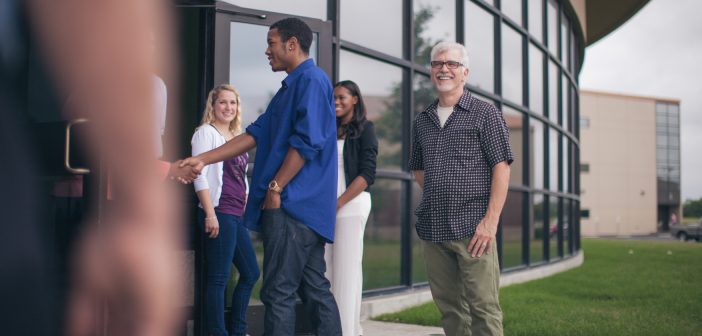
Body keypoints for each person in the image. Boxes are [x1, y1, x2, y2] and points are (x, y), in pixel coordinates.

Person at [178, 18, 341, 335]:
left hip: (294, 207)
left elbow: (307, 141)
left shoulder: (311, 81)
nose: (267, 51)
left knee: (278, 292)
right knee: (314, 289)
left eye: (272, 43)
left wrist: (276, 188)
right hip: (299, 208)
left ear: (291, 44)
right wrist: (201, 159)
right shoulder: (289, 88)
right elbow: (255, 134)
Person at [409, 41, 513, 336]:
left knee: (483, 308)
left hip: (474, 229)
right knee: (451, 312)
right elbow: (418, 167)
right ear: (431, 72)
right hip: (433, 228)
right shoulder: (422, 121)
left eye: (452, 64)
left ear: (464, 72)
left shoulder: (485, 113)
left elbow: (502, 167)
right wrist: (441, 193)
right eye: (437, 64)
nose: (444, 69)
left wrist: (490, 222)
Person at [191, 84, 260, 336]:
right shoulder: (205, 133)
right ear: (213, 105)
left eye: (233, 103)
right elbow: (199, 175)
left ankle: (238, 330)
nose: (228, 107)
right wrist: (209, 213)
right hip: (218, 211)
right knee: (218, 278)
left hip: (236, 215)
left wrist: (247, 203)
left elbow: (242, 177)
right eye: (223, 102)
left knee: (251, 272)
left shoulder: (236, 137)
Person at [325, 80, 377, 336]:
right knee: (326, 270)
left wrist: (339, 203)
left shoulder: (365, 129)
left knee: (347, 270)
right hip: (325, 208)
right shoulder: (327, 129)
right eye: (333, 97)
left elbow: (367, 174)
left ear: (355, 99)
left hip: (351, 204)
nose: (336, 101)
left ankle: (346, 331)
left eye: (342, 97)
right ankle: (335, 328)